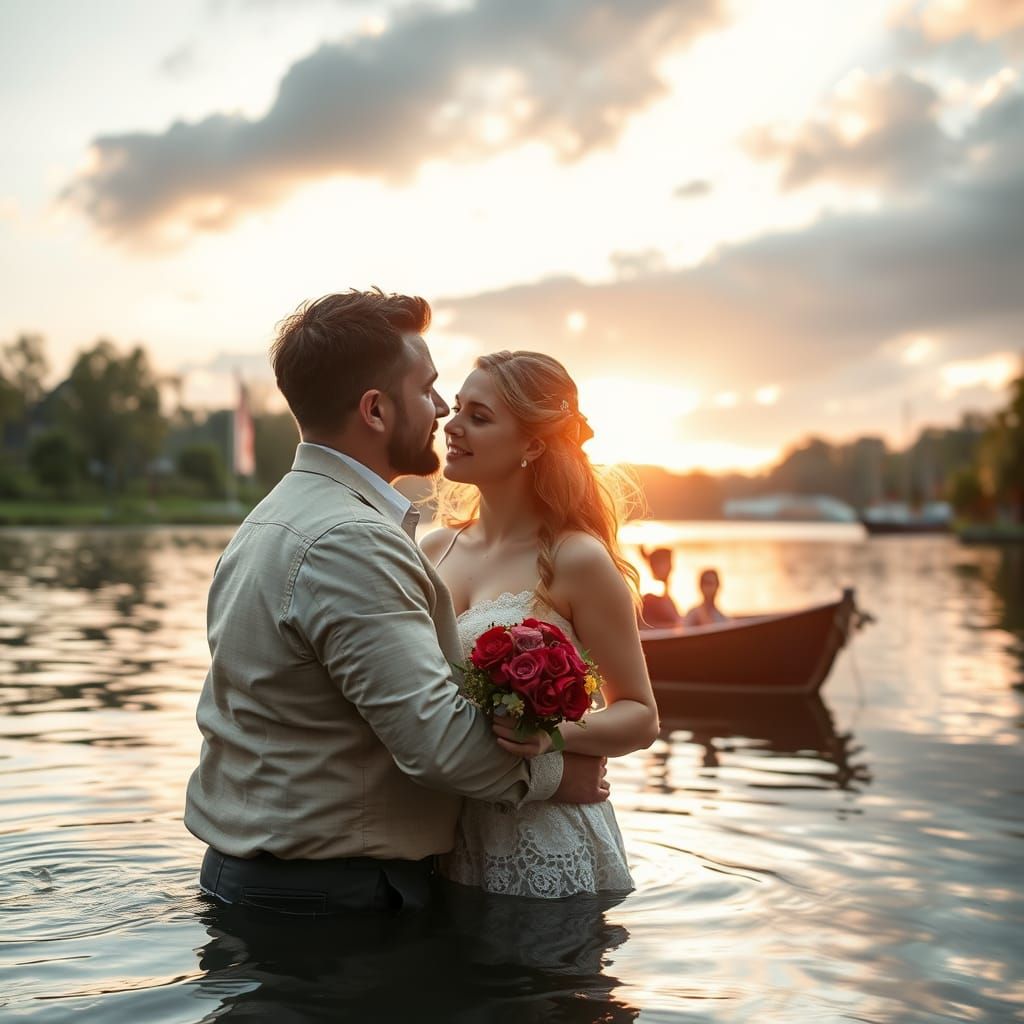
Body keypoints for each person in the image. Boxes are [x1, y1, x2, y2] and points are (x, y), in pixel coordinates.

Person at [184, 290, 609, 916]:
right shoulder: (350, 541)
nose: (442, 410)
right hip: (331, 904)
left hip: (261, 882)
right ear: (376, 410)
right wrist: (553, 775)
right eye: (430, 389)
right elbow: (437, 742)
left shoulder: (270, 517)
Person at [421, 350, 660, 898]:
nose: (451, 425)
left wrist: (552, 735)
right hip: (448, 840)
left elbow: (640, 716)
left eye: (479, 417)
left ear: (532, 444)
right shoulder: (434, 549)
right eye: (457, 408)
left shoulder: (577, 559)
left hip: (546, 846)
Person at [638, 546, 684, 628]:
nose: (672, 567)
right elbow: (645, 626)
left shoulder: (666, 597)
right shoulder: (649, 599)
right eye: (668, 563)